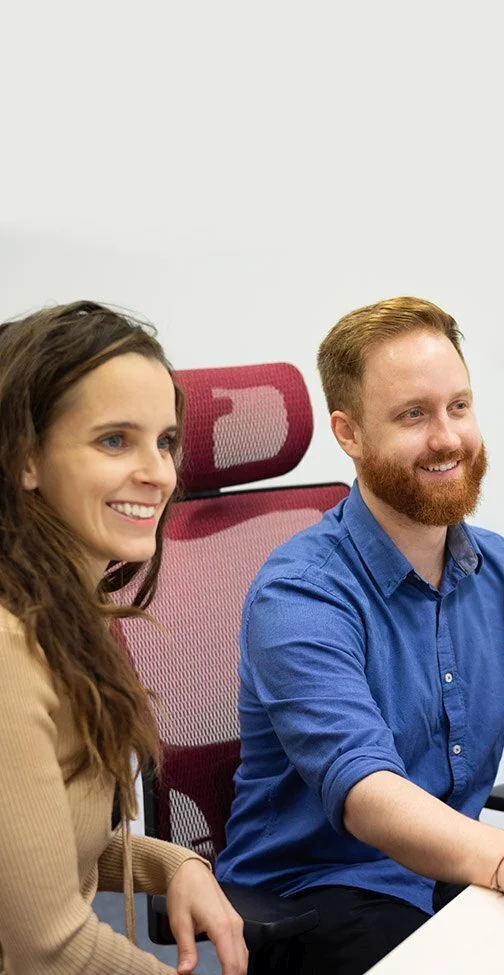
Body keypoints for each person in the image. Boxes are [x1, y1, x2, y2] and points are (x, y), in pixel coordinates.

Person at [216, 296, 504, 975]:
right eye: (413, 414)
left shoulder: (499, 569)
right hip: (315, 899)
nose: (448, 438)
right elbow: (366, 791)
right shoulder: (300, 593)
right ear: (350, 433)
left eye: (459, 406)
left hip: (449, 876)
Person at [0, 301, 247, 975]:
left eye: (165, 441)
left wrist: (173, 864)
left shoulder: (65, 614)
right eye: (115, 440)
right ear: (25, 458)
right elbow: (49, 950)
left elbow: (41, 853)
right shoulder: (9, 649)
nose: (159, 473)